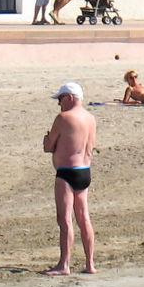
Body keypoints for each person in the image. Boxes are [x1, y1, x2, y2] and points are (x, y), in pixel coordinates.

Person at [43, 82, 98, 275]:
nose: (59, 103)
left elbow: (49, 146)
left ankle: (64, 265)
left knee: (65, 219)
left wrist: (46, 140)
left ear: (70, 97)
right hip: (84, 171)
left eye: (60, 99)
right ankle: (90, 264)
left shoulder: (63, 118)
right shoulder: (91, 118)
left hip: (66, 172)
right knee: (84, 218)